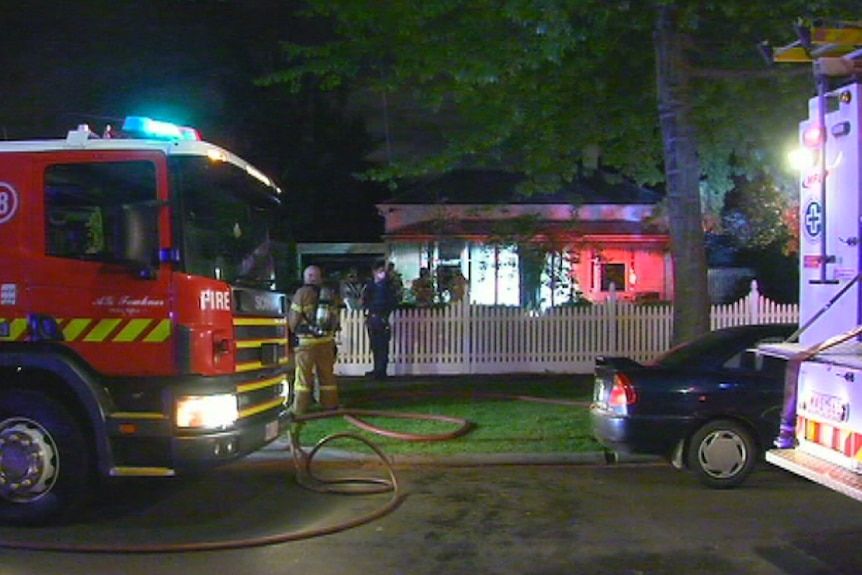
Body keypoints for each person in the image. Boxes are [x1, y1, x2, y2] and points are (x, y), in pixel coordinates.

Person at [288, 265, 340, 414]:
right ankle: (330, 404)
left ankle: (300, 407)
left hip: (306, 343)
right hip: (326, 342)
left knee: (303, 376)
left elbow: (294, 320)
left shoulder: (301, 293)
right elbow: (335, 319)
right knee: (327, 375)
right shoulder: (329, 294)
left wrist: (294, 330)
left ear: (306, 277)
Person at [361, 259, 398, 379]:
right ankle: (377, 368)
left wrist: (385, 315)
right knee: (375, 345)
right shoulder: (371, 286)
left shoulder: (387, 287)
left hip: (382, 318)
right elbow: (365, 300)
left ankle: (381, 371)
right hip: (372, 318)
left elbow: (392, 302)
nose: (382, 273)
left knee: (382, 345)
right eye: (379, 271)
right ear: (374, 272)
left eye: (383, 271)